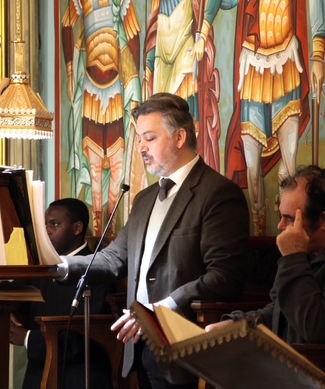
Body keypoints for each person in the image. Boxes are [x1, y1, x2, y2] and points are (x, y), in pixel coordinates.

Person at [59, 93, 250, 388]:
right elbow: (114, 258)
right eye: (139, 139)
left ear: (179, 137)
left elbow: (225, 276)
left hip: (185, 345)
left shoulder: (218, 194)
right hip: (139, 347)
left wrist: (158, 311)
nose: (141, 148)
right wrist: (59, 265)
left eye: (149, 138)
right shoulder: (144, 199)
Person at [206, 165, 325, 387]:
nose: (280, 226)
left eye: (289, 218)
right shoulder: (311, 250)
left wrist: (293, 257)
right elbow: (281, 312)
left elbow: (315, 328)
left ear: (323, 221)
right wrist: (239, 325)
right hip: (299, 371)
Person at [220, 0, 325, 236]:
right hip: (254, 67)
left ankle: (288, 226)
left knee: (289, 165)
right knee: (252, 165)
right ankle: (259, 231)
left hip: (286, 63)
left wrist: (317, 54)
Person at [61, 0, 144, 237]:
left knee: (118, 162)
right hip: (90, 86)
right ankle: (98, 230)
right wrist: (70, 70)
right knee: (94, 163)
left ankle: (111, 231)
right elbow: (67, 24)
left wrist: (134, 82)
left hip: (117, 87)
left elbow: (133, 34)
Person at [9, 198, 114, 389]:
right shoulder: (41, 267)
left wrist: (27, 338)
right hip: (39, 371)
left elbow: (82, 339)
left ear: (77, 228)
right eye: (45, 225)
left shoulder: (96, 272)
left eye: (54, 224)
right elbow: (15, 295)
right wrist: (4, 309)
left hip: (78, 375)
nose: (47, 231)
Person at [143, 0, 224, 171]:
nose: (142, 146)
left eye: (147, 139)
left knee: (188, 122)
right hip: (162, 60)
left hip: (185, 52)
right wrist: (149, 67)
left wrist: (203, 35)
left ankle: (193, 177)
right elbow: (154, 24)